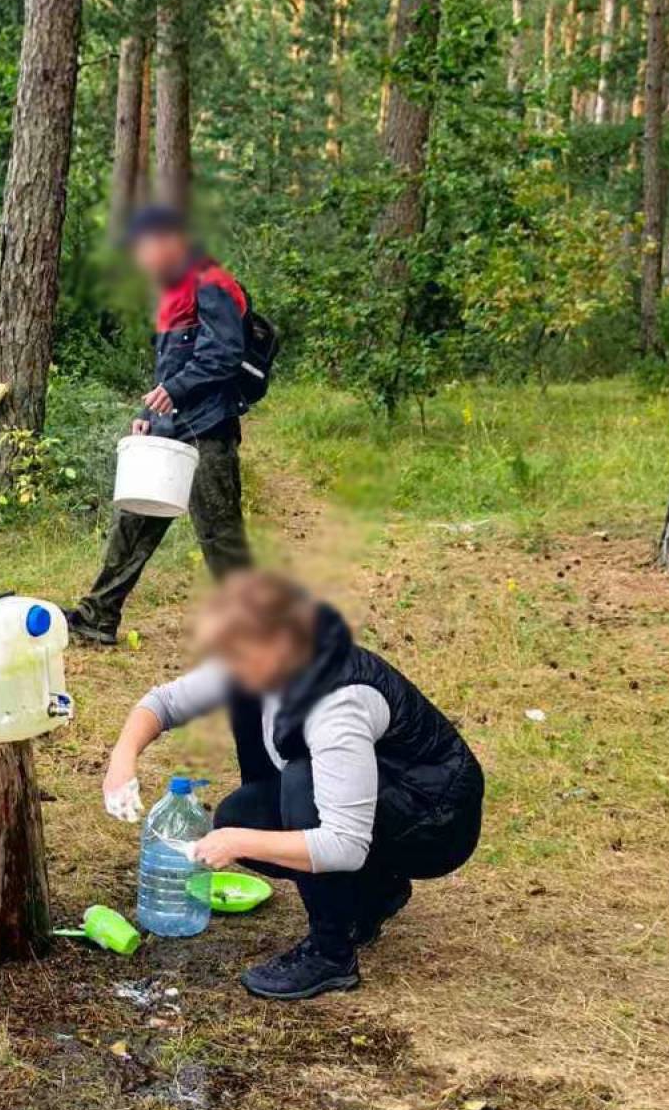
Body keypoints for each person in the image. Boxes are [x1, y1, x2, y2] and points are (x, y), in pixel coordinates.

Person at [101, 570, 485, 1000]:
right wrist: (122, 761)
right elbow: (165, 703)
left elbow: (343, 843)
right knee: (242, 812)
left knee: (300, 785)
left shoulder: (334, 704)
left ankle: (330, 955)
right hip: (380, 796)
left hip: (435, 818)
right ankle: (375, 892)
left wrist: (238, 842)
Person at [66, 204, 253, 647]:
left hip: (207, 432)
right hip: (169, 430)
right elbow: (172, 365)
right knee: (134, 520)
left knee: (220, 537)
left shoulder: (212, 281)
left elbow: (225, 353)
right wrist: (149, 415)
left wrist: (177, 392)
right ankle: (97, 617)